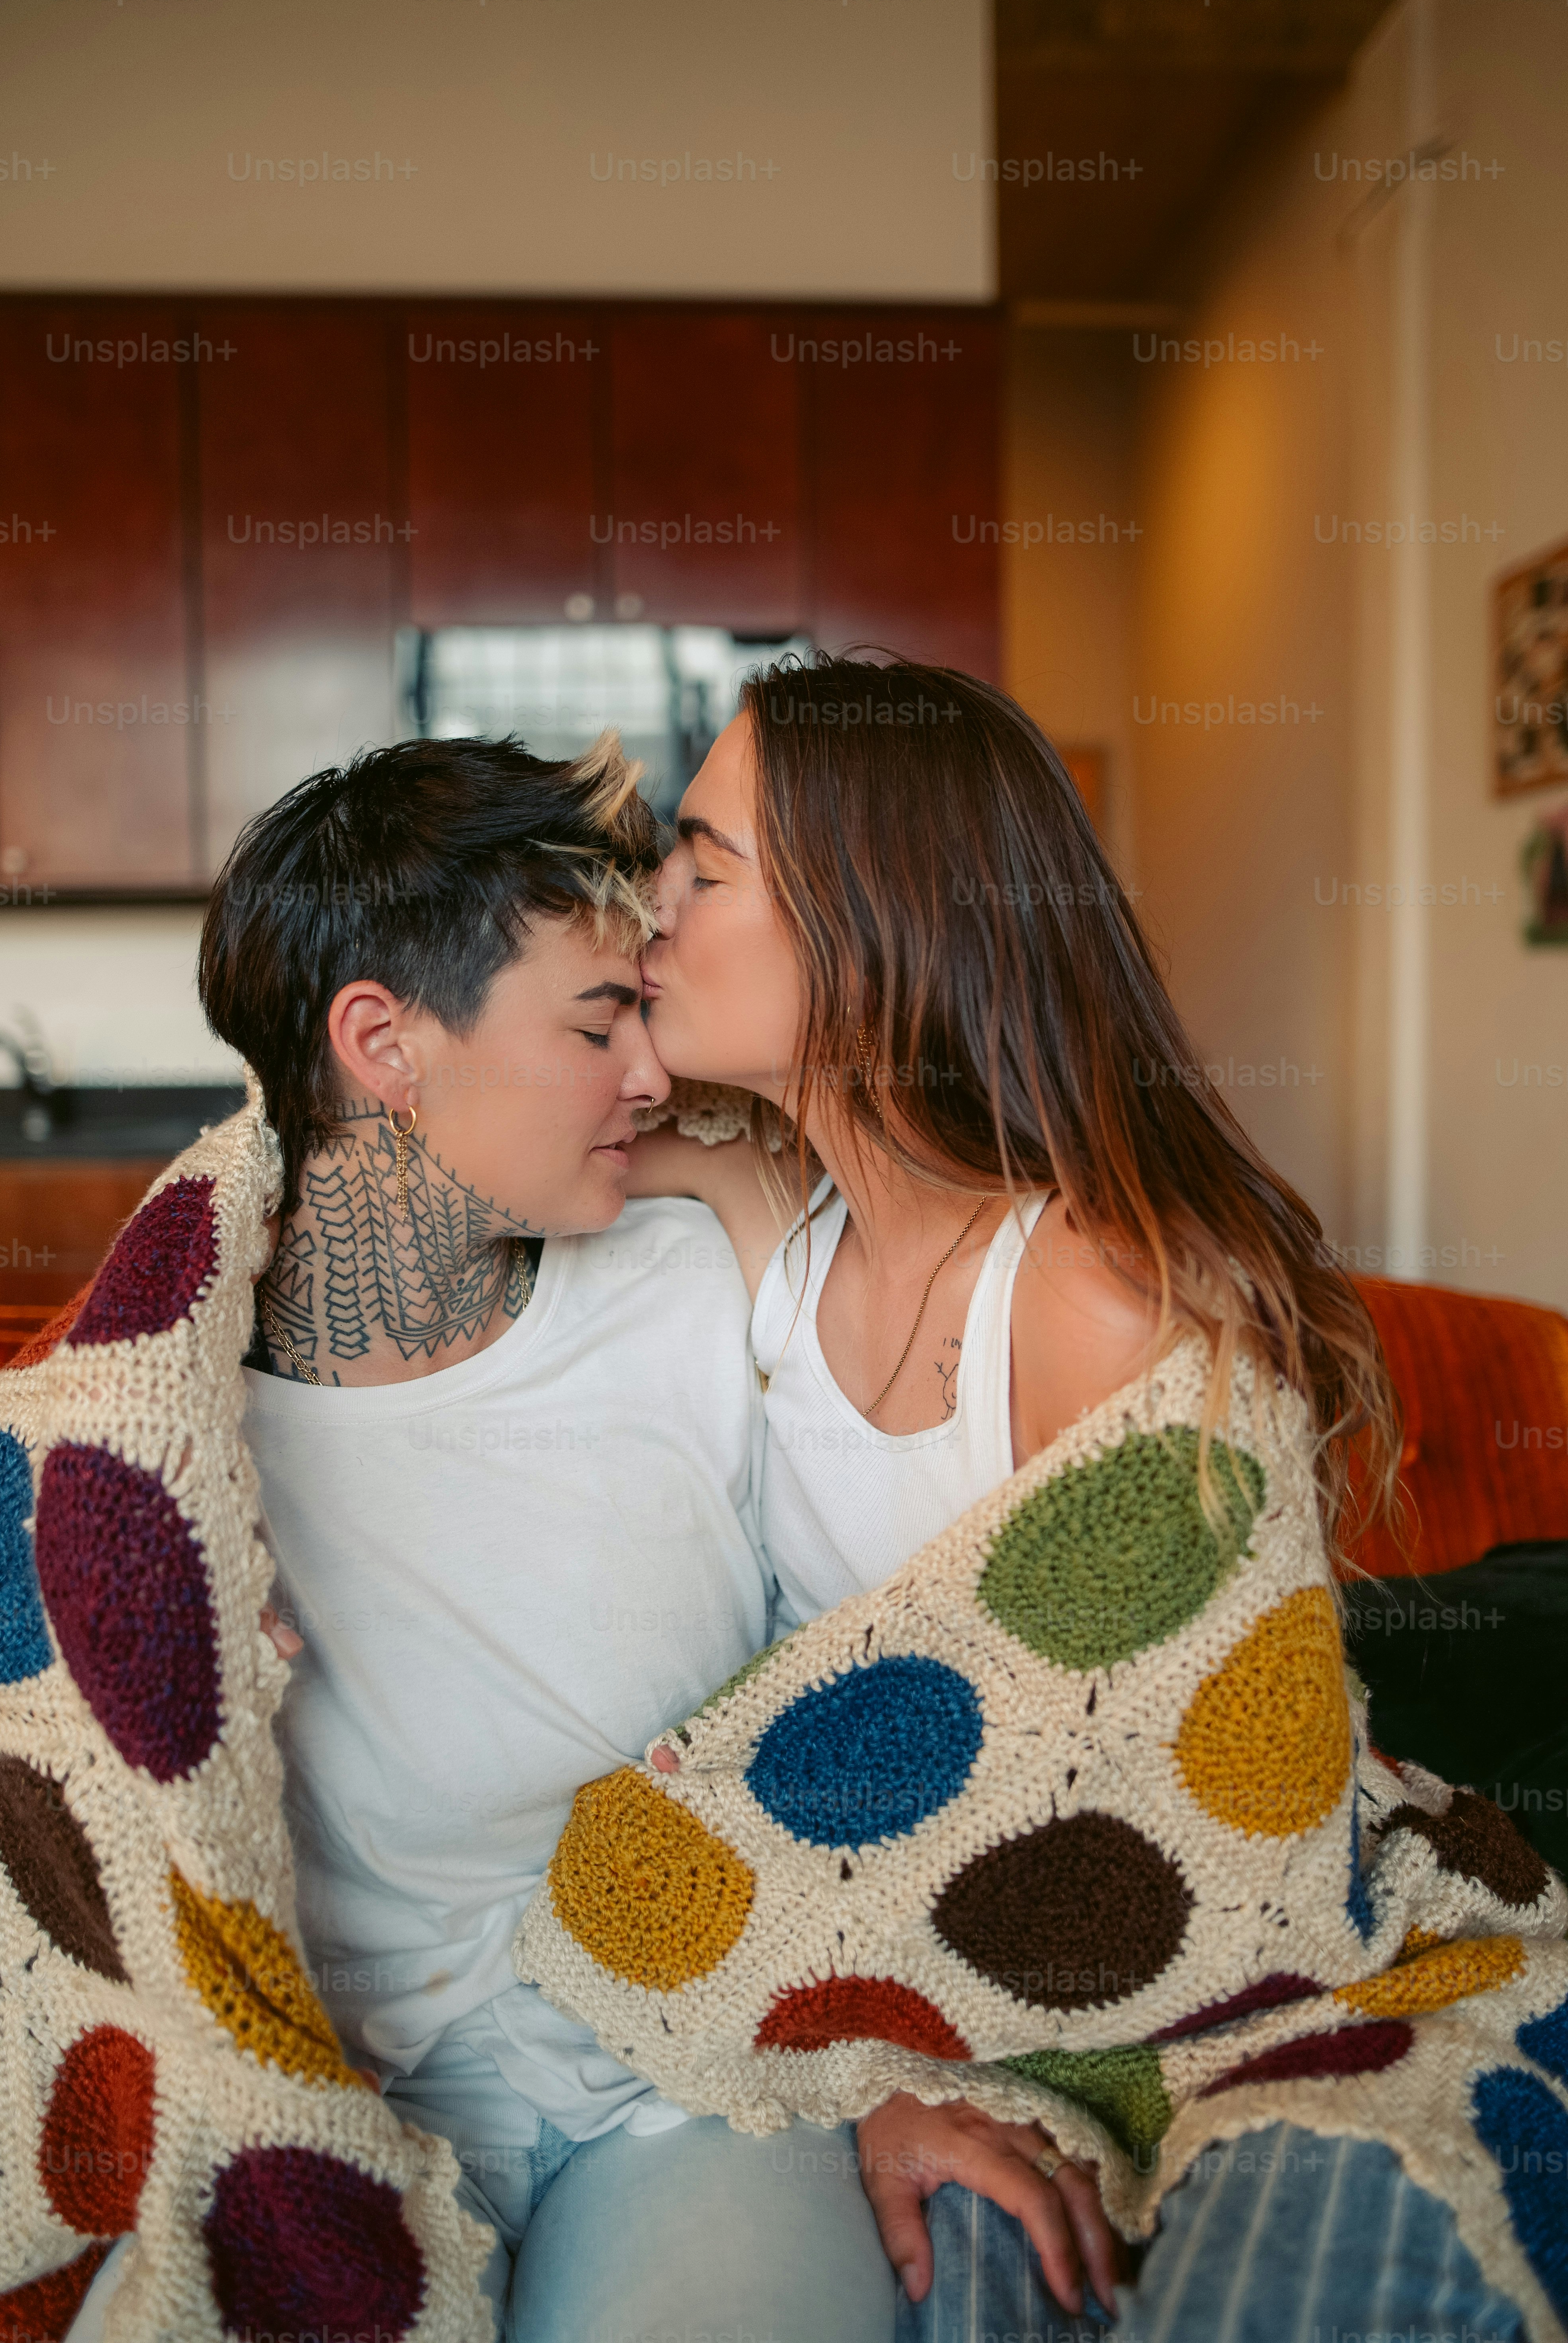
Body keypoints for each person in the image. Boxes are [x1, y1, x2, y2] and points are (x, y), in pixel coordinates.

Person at [623, 652, 1526, 2342]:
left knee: (1291, 2278)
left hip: (1272, 1963)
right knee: (978, 2270)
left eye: (700, 864)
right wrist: (874, 2075)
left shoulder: (1091, 1297)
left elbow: (1173, 1792)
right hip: (975, 1996)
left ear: (871, 922)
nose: (648, 912)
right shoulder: (767, 1232)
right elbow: (444, 1123)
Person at [184, 733, 894, 2342]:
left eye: (644, 1011)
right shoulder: (175, 1410)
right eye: (596, 1023)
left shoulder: (689, 1275)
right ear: (384, 1041)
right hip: (333, 2122)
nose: (650, 1073)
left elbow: (882, 1656)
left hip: (686, 2084)